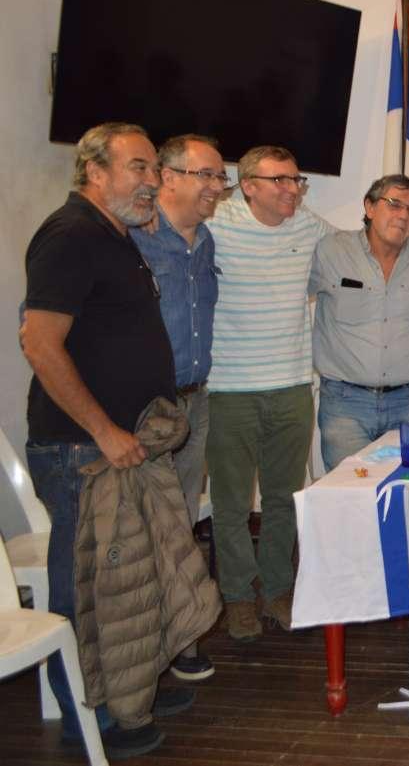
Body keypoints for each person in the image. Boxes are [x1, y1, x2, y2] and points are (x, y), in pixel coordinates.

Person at [22, 122, 194, 758]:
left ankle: (130, 690)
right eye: (139, 168)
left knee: (130, 586)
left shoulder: (116, 235)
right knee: (88, 588)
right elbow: (40, 344)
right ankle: (87, 717)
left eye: (154, 169)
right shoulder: (69, 236)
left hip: (122, 445)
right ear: (95, 171)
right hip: (82, 451)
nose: (152, 181)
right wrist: (103, 430)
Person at [205, 145, 331, 642]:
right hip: (229, 390)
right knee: (232, 505)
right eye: (279, 181)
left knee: (283, 500)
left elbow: (358, 244)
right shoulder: (215, 223)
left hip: (292, 388)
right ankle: (238, 597)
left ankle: (278, 590)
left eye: (296, 180)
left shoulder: (308, 226)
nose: (291, 190)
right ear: (248, 186)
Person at [129, 133, 223, 682]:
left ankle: (181, 639)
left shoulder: (207, 240)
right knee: (141, 530)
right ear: (167, 177)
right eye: (205, 174)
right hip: (142, 409)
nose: (216, 186)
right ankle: (144, 654)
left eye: (219, 177)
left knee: (182, 525)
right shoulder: (131, 238)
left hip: (193, 403)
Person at [309, 175, 409, 470]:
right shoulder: (331, 251)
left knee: (400, 488)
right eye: (394, 204)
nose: (404, 215)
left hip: (405, 404)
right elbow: (288, 294)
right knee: (349, 490)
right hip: (344, 405)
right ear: (370, 207)